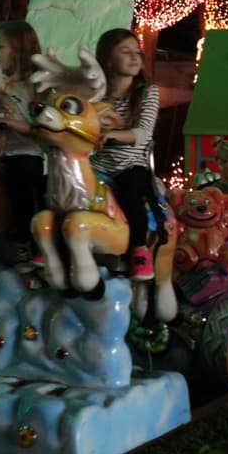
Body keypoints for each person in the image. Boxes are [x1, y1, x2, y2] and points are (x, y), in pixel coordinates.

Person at [91, 28, 162, 281]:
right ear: (108, 59)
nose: (134, 58)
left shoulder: (147, 92)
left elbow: (143, 133)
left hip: (130, 165)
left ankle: (139, 250)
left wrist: (112, 135)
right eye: (125, 52)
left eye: (137, 53)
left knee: (132, 188)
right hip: (97, 166)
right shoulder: (96, 96)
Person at [0, 21, 45, 256]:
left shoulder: (35, 87)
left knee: (21, 176)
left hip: (24, 152)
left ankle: (24, 239)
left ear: (19, 50)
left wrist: (14, 124)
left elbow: (42, 129)